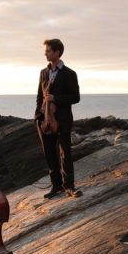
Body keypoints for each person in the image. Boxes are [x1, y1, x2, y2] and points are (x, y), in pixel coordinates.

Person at [35, 38, 81, 199]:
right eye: (45, 50)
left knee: (65, 153)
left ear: (57, 52)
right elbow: (40, 96)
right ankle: (56, 186)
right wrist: (37, 117)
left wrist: (56, 98)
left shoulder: (69, 74)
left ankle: (69, 186)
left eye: (48, 50)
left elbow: (75, 97)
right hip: (44, 119)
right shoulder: (44, 72)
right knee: (49, 154)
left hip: (61, 119)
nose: (45, 53)